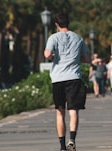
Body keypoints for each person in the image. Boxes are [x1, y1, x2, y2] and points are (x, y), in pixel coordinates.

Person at [44, 13, 90, 151]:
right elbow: (87, 59)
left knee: (60, 112)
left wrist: (53, 56)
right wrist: (75, 59)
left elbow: (47, 54)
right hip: (74, 78)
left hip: (58, 79)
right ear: (68, 23)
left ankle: (62, 146)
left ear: (57, 25)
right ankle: (72, 140)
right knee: (73, 111)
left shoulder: (53, 37)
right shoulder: (79, 38)